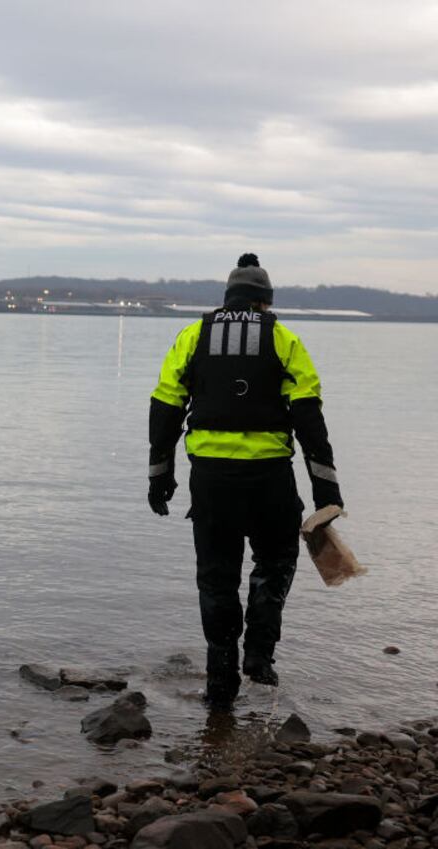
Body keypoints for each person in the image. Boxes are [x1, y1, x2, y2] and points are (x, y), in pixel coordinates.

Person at [147, 253, 343, 711]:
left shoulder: (192, 336)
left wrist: (160, 476)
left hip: (210, 483)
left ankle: (220, 682)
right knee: (275, 564)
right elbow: (309, 419)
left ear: (229, 298)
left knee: (215, 579)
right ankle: (259, 653)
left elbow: (165, 409)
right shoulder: (284, 340)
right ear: (266, 302)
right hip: (269, 481)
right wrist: (327, 495)